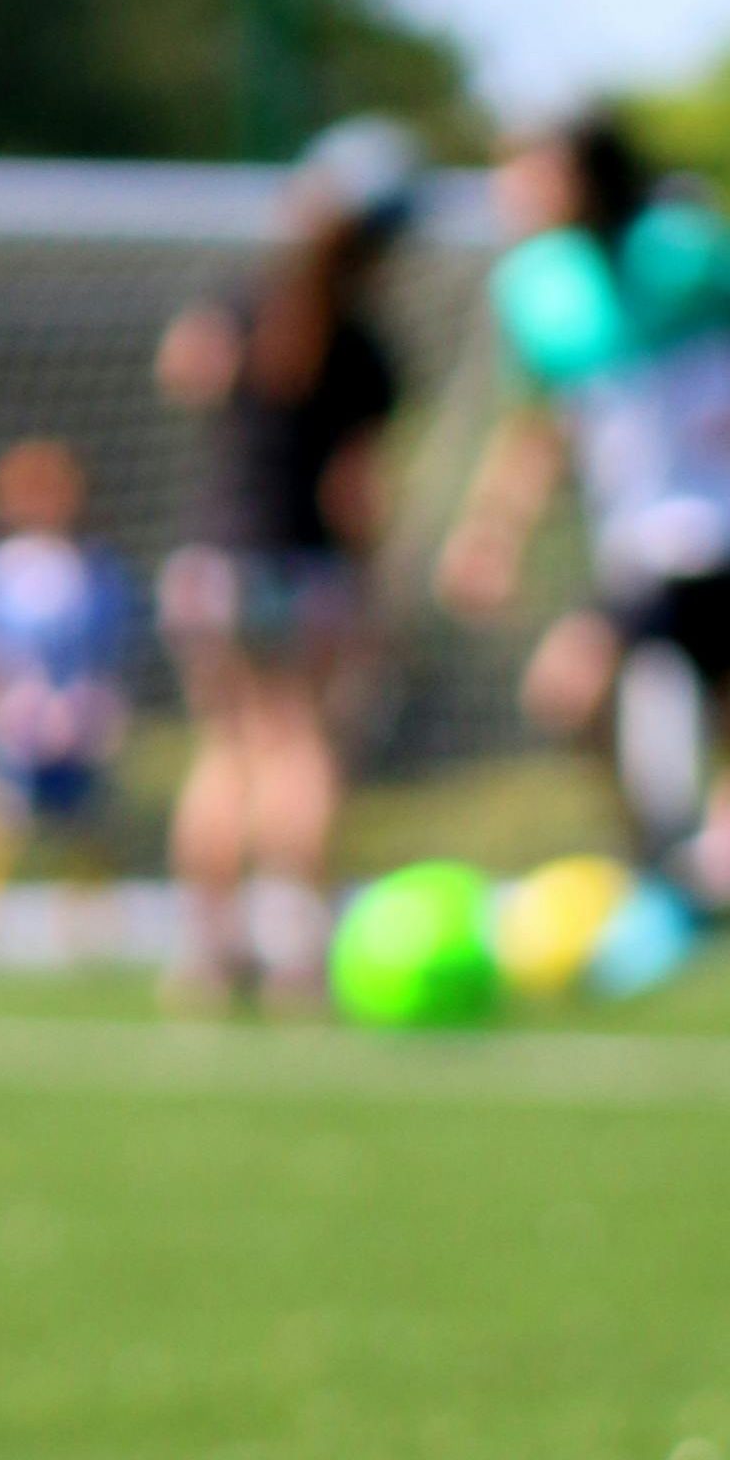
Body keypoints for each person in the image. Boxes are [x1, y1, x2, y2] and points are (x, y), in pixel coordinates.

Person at [436, 105, 730, 991]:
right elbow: (544, 424)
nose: (511, 195)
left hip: (727, 531)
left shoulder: (683, 252)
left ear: (585, 179)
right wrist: (491, 533)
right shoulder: (538, 288)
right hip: (639, 544)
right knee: (576, 696)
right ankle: (671, 870)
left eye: (532, 174)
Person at [153, 117, 419, 1007]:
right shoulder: (366, 346)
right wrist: (375, 588)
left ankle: (207, 958)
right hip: (303, 569)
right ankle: (302, 955)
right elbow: (355, 491)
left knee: (227, 752)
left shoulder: (243, 302)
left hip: (214, 561)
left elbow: (182, 370)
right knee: (300, 747)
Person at [0, 439, 132, 881]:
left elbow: (105, 656)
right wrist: (11, 704)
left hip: (76, 725)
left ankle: (89, 930)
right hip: (13, 724)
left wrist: (87, 707)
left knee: (87, 831)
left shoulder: (94, 568)